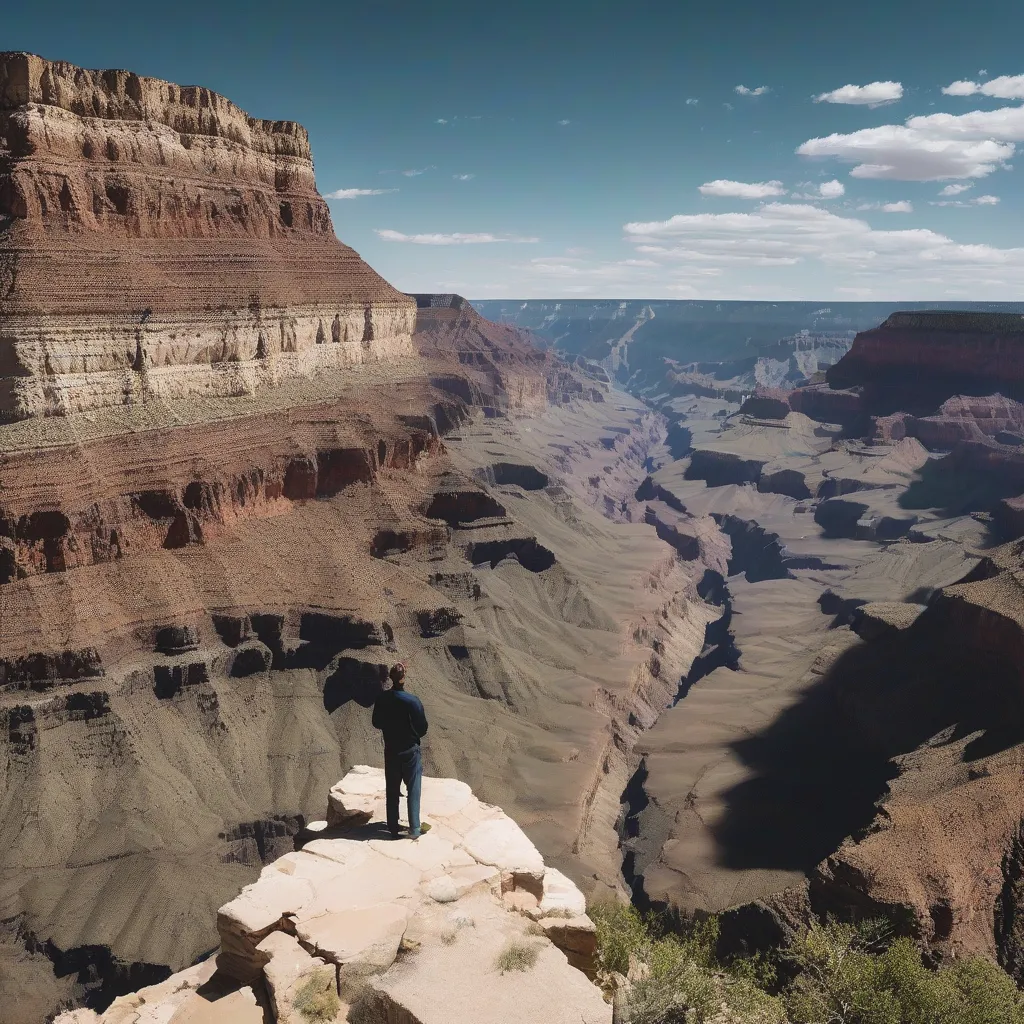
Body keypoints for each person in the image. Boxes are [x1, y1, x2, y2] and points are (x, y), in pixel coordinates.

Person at [372, 662, 429, 839]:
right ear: (403, 678)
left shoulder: (382, 698)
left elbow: (376, 722)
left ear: (391, 677)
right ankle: (414, 829)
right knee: (413, 789)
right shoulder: (412, 701)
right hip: (410, 750)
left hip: (391, 750)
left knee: (392, 789)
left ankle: (393, 828)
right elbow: (423, 728)